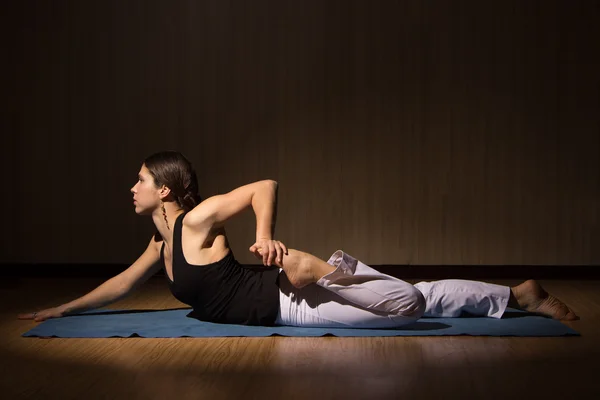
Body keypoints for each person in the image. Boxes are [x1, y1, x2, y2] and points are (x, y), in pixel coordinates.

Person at [18, 151, 579, 328]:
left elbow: (264, 186)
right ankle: (517, 296)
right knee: (420, 296)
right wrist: (62, 308)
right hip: (285, 298)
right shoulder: (162, 237)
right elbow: (120, 284)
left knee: (408, 306)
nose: (132, 187)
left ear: (166, 189)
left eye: (141, 180)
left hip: (290, 303)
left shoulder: (194, 218)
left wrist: (265, 238)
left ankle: (319, 268)